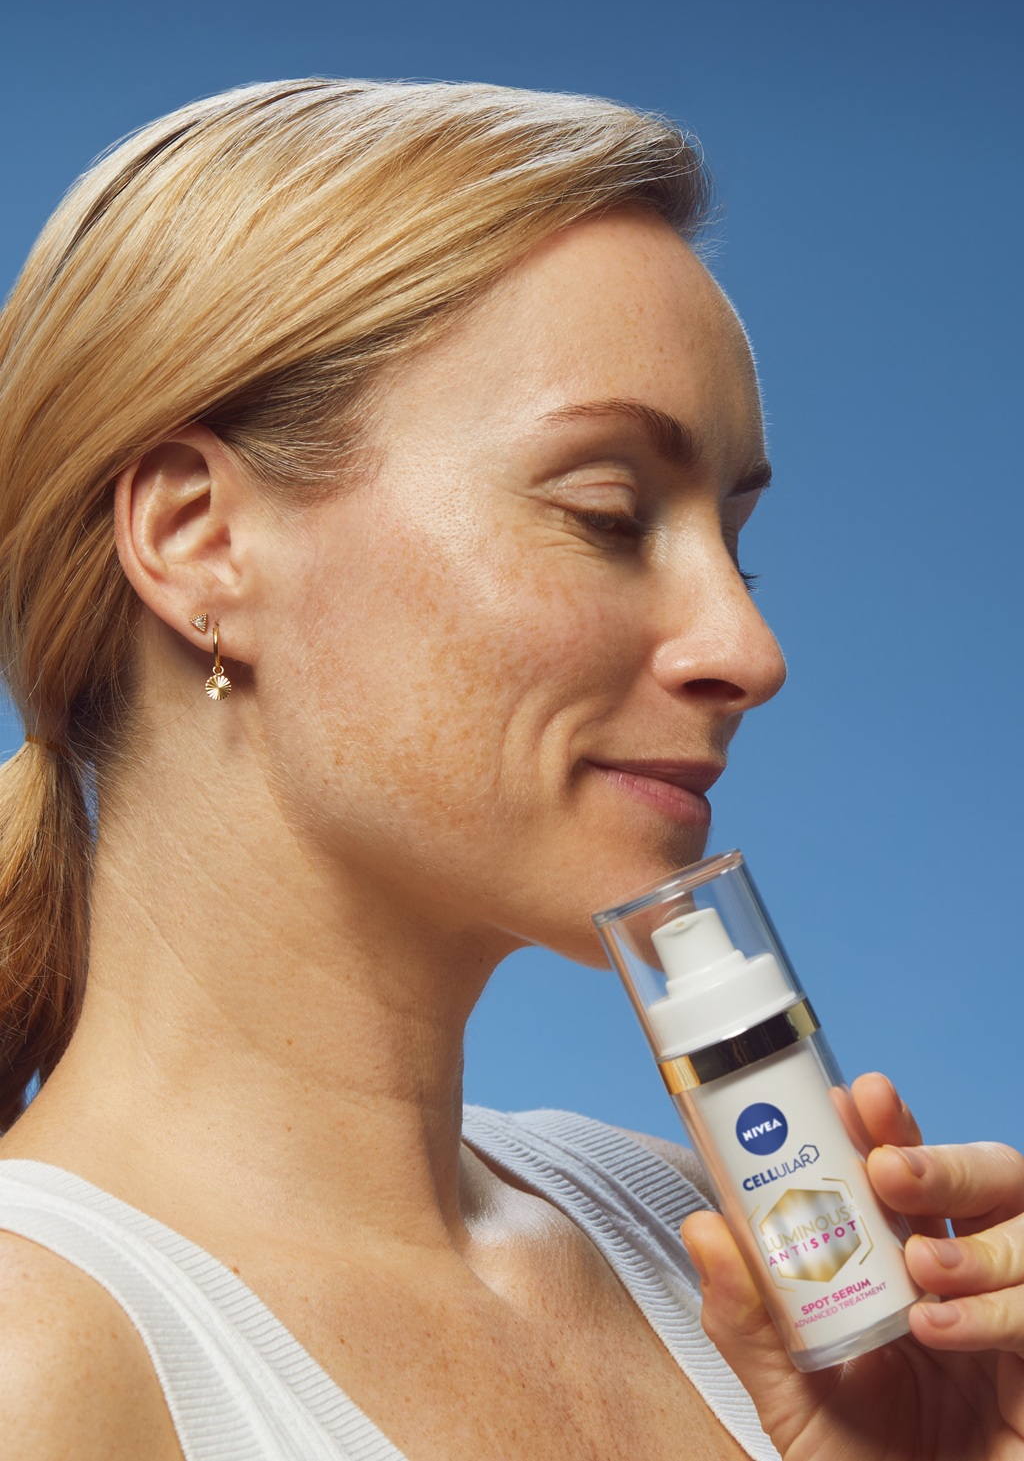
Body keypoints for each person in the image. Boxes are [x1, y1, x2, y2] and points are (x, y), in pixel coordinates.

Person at [0, 78, 1020, 1461]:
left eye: (736, 542)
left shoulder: (727, 1262)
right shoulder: (38, 1359)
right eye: (608, 511)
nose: (749, 648)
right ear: (200, 539)